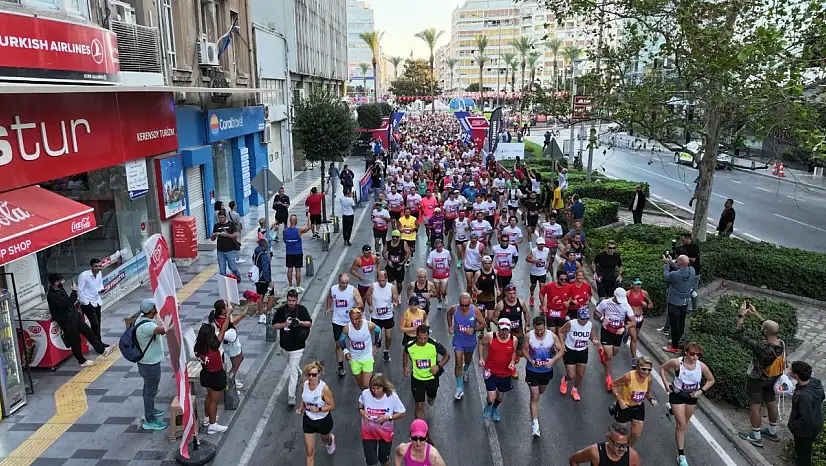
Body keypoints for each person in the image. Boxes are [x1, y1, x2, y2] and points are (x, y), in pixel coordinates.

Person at [735, 301, 785, 447]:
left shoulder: (761, 346)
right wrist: (756, 314)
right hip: (773, 377)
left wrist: (741, 315)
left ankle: (756, 436)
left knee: (755, 406)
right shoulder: (781, 343)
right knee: (771, 402)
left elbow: (738, 334)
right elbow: (769, 329)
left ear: (764, 332)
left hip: (757, 379)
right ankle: (772, 431)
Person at [660, 342, 716, 466]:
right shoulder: (676, 363)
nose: (695, 357)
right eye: (692, 354)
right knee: (681, 425)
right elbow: (662, 368)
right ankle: (681, 455)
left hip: (691, 397)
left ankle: (672, 410)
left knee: (684, 422)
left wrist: (701, 391)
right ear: (685, 353)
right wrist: (665, 383)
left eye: (698, 355)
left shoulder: (701, 366)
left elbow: (711, 380)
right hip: (677, 395)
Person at [46, 273, 112, 367]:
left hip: (74, 316)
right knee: (75, 341)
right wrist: (74, 292)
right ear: (56, 282)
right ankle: (81, 361)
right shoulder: (52, 296)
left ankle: (102, 350)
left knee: (89, 333)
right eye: (61, 281)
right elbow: (67, 304)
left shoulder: (60, 289)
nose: (63, 282)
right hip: (67, 321)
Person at [523, 315, 564, 437]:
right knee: (534, 395)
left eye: (541, 330)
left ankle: (534, 404)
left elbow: (561, 350)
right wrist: (530, 361)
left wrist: (552, 361)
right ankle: (535, 425)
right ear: (534, 328)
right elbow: (524, 350)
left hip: (546, 371)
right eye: (537, 330)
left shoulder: (552, 336)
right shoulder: (529, 336)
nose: (539, 332)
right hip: (532, 370)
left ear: (545, 327)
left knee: (541, 391)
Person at [273, 289, 313, 406]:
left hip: (298, 346)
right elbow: (274, 326)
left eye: (293, 301)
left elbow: (309, 323)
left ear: (297, 300)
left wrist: (299, 322)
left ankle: (291, 396)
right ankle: (300, 372)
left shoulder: (302, 310)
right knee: (293, 366)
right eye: (289, 300)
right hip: (284, 347)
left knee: (292, 370)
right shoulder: (281, 310)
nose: (291, 303)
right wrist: (284, 324)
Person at [609, 356, 658, 446]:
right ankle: (612, 445)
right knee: (619, 432)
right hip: (625, 406)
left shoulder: (649, 379)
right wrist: (619, 400)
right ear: (637, 367)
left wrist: (651, 399)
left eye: (649, 370)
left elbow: (647, 393)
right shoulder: (628, 377)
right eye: (644, 369)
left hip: (638, 406)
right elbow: (613, 384)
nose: (646, 372)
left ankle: (628, 448)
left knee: (636, 434)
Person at [403, 325, 450, 419]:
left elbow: (447, 355)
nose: (423, 341)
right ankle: (420, 427)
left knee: (431, 396)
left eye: (425, 338)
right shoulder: (410, 345)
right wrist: (405, 367)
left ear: (428, 336)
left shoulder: (434, 344)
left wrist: (438, 366)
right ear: (416, 336)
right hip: (417, 380)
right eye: (420, 338)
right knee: (419, 405)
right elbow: (405, 353)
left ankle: (431, 398)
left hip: (432, 379)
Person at [360, 373, 407, 466]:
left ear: (384, 386)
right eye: (373, 388)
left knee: (384, 460)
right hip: (368, 432)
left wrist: (388, 418)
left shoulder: (392, 396)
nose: (375, 391)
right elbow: (360, 403)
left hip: (385, 433)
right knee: (371, 463)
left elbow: (402, 412)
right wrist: (362, 411)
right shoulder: (365, 394)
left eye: (378, 388)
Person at [595, 288, 636, 391]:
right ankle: (608, 379)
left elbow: (633, 321)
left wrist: (624, 328)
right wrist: (602, 319)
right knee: (609, 357)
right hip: (606, 331)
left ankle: (602, 352)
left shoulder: (626, 305)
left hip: (618, 333)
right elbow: (595, 312)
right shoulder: (605, 303)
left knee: (614, 353)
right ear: (614, 295)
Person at [135, 298, 167, 431]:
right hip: (150, 365)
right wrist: (173, 314)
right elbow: (165, 329)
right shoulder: (147, 327)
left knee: (148, 389)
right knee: (150, 392)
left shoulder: (141, 319)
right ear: (152, 310)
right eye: (155, 307)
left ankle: (151, 410)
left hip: (147, 363)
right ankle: (150, 419)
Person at [447, 293, 486, 400]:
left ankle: (466, 369)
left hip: (470, 342)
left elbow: (483, 324)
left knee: (468, 359)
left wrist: (474, 329)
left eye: (466, 305)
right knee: (458, 362)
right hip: (458, 342)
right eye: (462, 305)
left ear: (470, 303)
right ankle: (459, 388)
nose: (464, 307)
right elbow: (449, 314)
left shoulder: (475, 311)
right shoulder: (454, 309)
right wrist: (450, 326)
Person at [297, 361, 336, 465]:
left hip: (323, 420)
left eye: (314, 375)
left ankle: (330, 440)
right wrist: (301, 407)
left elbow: (332, 406)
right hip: (308, 420)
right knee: (309, 452)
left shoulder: (324, 389)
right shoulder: (304, 385)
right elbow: (304, 397)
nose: (311, 377)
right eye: (309, 374)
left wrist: (318, 409)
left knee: (325, 439)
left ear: (319, 374)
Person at [194, 319, 229, 434]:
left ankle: (207, 418)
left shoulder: (197, 348)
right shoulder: (214, 347)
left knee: (209, 397)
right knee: (214, 401)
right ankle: (213, 425)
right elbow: (223, 330)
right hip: (216, 376)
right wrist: (228, 315)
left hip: (206, 374)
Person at [479, 318, 518, 422]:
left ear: (509, 330)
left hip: (505, 373)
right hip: (490, 371)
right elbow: (481, 344)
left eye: (506, 330)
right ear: (498, 328)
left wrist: (512, 361)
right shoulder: (490, 336)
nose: (504, 333)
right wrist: (481, 358)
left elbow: (514, 352)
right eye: (502, 330)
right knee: (491, 397)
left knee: (500, 397)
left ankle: (494, 408)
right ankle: (489, 404)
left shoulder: (514, 340)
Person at [325, 273, 364, 377]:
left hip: (351, 322)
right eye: (343, 283)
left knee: (355, 343)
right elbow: (329, 297)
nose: (345, 285)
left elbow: (360, 303)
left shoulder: (353, 290)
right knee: (338, 344)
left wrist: (355, 308)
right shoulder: (333, 289)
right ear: (339, 281)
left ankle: (358, 362)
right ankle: (340, 366)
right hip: (337, 321)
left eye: (347, 283)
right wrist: (328, 307)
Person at [788, 361, 825, 466]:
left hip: (805, 431)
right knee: (805, 452)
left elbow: (806, 419)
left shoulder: (803, 396)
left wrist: (792, 425)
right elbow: (822, 397)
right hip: (817, 422)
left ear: (795, 375)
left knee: (803, 456)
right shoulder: (815, 382)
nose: (789, 370)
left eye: (790, 369)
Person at [559, 307, 599, 401]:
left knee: (580, 374)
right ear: (578, 317)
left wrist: (594, 340)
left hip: (582, 351)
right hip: (570, 350)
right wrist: (562, 344)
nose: (584, 321)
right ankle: (565, 379)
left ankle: (574, 389)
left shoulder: (589, 325)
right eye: (582, 319)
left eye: (586, 319)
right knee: (571, 375)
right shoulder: (571, 323)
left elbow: (591, 336)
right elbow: (560, 331)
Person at [210, 300, 248, 388]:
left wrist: (232, 308)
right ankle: (230, 381)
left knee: (238, 360)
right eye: (226, 306)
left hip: (229, 344)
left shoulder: (218, 317)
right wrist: (247, 304)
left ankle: (232, 379)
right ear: (223, 310)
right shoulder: (224, 321)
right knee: (236, 364)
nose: (229, 307)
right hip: (231, 345)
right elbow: (241, 316)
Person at [340, 308, 382, 390]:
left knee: (366, 385)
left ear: (361, 317)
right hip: (354, 359)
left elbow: (378, 331)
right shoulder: (347, 328)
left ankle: (368, 396)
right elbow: (341, 340)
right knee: (360, 384)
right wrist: (345, 351)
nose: (354, 322)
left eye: (356, 319)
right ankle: (365, 395)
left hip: (367, 357)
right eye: (352, 319)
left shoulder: (369, 325)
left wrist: (375, 345)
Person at [662, 255, 696, 353]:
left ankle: (674, 346)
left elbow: (666, 276)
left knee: (674, 324)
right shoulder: (692, 271)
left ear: (678, 262)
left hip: (674, 302)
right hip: (685, 301)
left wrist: (666, 265)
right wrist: (672, 263)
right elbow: (681, 268)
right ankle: (678, 340)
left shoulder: (674, 275)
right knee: (681, 322)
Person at [568, 422, 642, 466]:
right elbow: (574, 460)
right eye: (618, 444)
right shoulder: (595, 452)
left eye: (625, 444)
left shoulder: (632, 456)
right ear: (608, 438)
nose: (622, 449)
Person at [365, 271, 400, 363]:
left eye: (383, 280)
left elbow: (396, 300)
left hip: (388, 316)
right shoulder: (373, 286)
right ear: (377, 279)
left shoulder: (391, 288)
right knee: (377, 335)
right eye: (379, 281)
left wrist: (395, 304)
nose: (381, 283)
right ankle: (378, 341)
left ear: (386, 279)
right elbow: (367, 295)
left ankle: (386, 351)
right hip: (376, 316)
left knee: (388, 336)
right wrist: (370, 305)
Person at [625, 279, 652, 367]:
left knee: (635, 336)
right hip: (630, 317)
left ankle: (627, 333)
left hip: (640, 318)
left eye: (639, 284)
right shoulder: (627, 293)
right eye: (636, 284)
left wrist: (646, 305)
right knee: (634, 338)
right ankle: (634, 358)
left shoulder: (644, 293)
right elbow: (622, 305)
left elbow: (651, 305)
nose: (638, 286)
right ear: (632, 284)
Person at [77, 258, 105, 341]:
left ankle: (98, 341)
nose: (98, 268)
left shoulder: (99, 274)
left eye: (100, 266)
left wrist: (101, 289)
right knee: (95, 323)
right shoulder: (84, 276)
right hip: (88, 303)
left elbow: (100, 284)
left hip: (97, 301)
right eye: (96, 266)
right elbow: (80, 290)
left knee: (98, 323)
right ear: (91, 266)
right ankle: (96, 342)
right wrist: (86, 303)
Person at [284, 214, 313, 293]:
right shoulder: (299, 231)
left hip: (289, 253)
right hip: (298, 253)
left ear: (290, 221)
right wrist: (308, 217)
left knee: (289, 270)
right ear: (296, 221)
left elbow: (285, 241)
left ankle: (290, 286)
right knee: (298, 271)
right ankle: (298, 286)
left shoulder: (285, 231)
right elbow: (309, 227)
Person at [211, 210, 241, 281]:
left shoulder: (231, 224)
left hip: (230, 250)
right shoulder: (216, 226)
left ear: (225, 217)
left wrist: (226, 235)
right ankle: (224, 283)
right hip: (220, 251)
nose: (220, 219)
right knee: (222, 270)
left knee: (232, 267)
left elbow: (235, 236)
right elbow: (212, 239)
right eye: (219, 218)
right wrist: (214, 235)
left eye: (222, 217)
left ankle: (237, 275)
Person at [425, 239, 451, 310]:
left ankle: (444, 296)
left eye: (440, 247)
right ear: (434, 246)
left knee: (443, 291)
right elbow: (427, 263)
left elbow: (449, 259)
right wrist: (432, 267)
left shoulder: (447, 252)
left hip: (445, 275)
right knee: (437, 291)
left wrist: (448, 265)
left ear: (442, 245)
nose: (438, 249)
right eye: (437, 247)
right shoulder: (432, 253)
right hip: (436, 276)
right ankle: (439, 301)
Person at [526, 237, 551, 307]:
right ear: (537, 244)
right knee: (533, 286)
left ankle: (542, 304)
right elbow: (527, 259)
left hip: (542, 272)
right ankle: (531, 296)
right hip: (534, 272)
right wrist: (535, 261)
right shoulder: (533, 251)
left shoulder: (547, 250)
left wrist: (548, 263)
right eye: (540, 244)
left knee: (542, 288)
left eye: (542, 244)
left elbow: (549, 256)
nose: (541, 246)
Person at [253, 238, 273, 314]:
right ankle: (268, 313)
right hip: (264, 279)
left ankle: (261, 313)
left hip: (257, 278)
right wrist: (269, 281)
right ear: (265, 245)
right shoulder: (264, 255)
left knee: (260, 297)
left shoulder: (256, 253)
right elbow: (265, 269)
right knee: (271, 296)